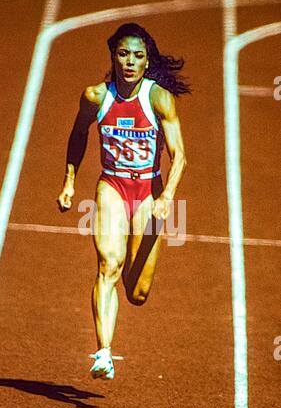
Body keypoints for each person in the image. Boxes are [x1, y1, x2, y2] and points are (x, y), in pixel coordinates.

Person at [57, 23, 190, 380]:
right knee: (108, 266)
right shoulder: (96, 97)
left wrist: (168, 198)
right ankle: (103, 353)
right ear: (113, 56)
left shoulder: (159, 98)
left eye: (138, 56)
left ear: (147, 62)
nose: (130, 62)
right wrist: (69, 181)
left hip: (150, 191)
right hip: (112, 186)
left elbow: (179, 156)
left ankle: (129, 288)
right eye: (123, 54)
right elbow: (78, 133)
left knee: (138, 292)